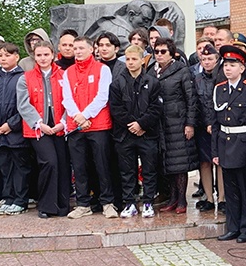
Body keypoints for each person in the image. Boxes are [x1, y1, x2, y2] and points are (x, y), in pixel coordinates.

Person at [63, 36, 118, 219]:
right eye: (74, 48)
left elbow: (103, 96)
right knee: (79, 167)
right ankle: (83, 203)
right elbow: (67, 98)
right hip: (75, 127)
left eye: (80, 48)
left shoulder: (102, 70)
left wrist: (85, 115)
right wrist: (78, 118)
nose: (77, 51)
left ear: (91, 49)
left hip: (98, 125)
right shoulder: (68, 72)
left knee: (102, 165)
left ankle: (107, 203)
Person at [16, 40, 71, 218]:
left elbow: (69, 101)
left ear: (53, 55)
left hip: (60, 127)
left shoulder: (64, 75)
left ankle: (62, 205)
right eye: (39, 55)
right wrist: (39, 124)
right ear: (34, 56)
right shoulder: (25, 78)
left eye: (46, 54)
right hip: (38, 129)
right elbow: (23, 105)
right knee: (49, 162)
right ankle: (46, 206)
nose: (43, 58)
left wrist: (63, 122)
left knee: (62, 165)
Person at [109, 43, 162, 218]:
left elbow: (156, 108)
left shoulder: (153, 82)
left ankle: (148, 202)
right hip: (125, 135)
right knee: (127, 171)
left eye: (134, 59)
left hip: (147, 134)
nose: (131, 62)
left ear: (142, 60)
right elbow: (116, 109)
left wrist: (142, 124)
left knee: (149, 170)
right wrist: (132, 125)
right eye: (128, 59)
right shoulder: (117, 84)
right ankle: (129, 202)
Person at [213, 46, 246, 242]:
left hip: (243, 144)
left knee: (245, 189)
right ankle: (232, 227)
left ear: (242, 68)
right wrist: (215, 150)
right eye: (226, 65)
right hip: (225, 143)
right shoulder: (219, 89)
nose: (228, 68)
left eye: (233, 65)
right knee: (230, 190)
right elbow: (215, 123)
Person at [0, 43, 30, 215]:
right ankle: (8, 198)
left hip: (15, 132)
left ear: (16, 56)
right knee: (4, 167)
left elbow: (25, 106)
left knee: (19, 168)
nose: (3, 58)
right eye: (1, 55)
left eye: (8, 55)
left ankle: (20, 200)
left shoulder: (24, 77)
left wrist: (11, 124)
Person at [152, 38, 199, 214]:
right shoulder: (153, 71)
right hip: (161, 124)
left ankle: (181, 201)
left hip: (178, 122)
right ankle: (172, 198)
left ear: (171, 53)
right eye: (156, 51)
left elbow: (191, 99)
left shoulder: (181, 70)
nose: (159, 55)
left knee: (180, 164)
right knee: (168, 164)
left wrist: (190, 123)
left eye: (163, 51)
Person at [193, 43, 221, 212]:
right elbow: (196, 104)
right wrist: (205, 123)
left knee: (220, 163)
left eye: (210, 59)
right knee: (205, 162)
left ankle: (223, 198)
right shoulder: (196, 80)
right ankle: (209, 198)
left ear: (217, 60)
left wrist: (214, 123)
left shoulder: (223, 77)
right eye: (204, 59)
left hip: (219, 126)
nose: (207, 62)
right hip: (202, 127)